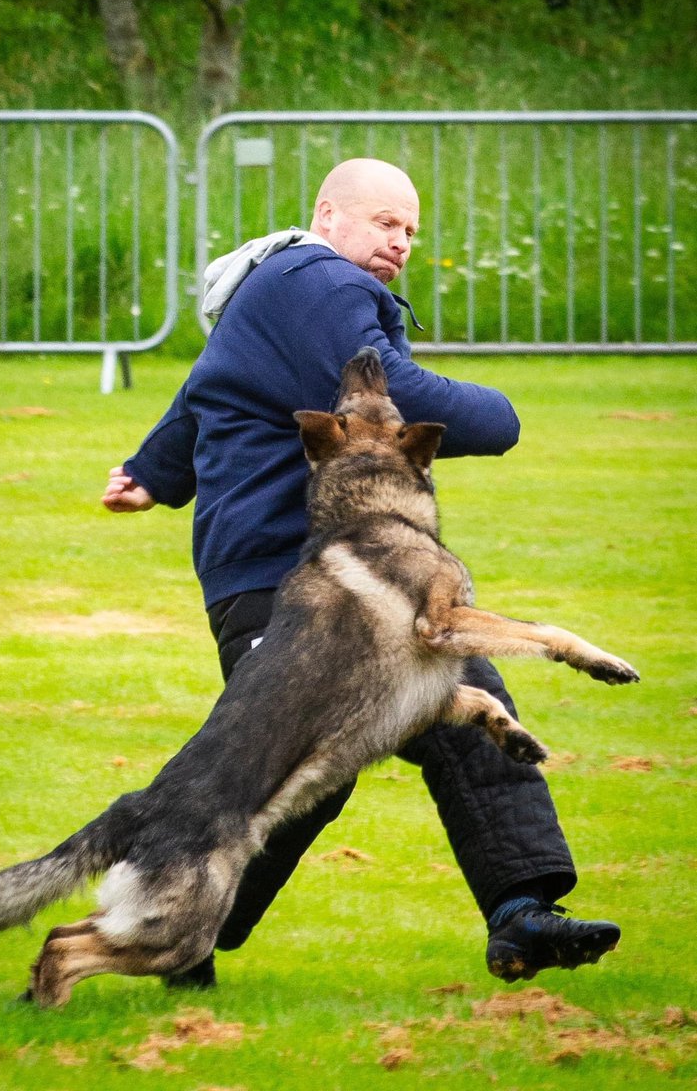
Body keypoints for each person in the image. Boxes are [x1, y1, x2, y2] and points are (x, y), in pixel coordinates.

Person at [102, 158, 620, 988]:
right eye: (385, 223)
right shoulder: (315, 280)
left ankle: (522, 913)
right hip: (285, 575)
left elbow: (206, 387)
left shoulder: (275, 288)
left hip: (345, 568)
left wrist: (154, 471)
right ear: (327, 215)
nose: (400, 243)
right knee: (293, 766)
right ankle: (168, 928)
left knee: (470, 703)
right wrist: (503, 415)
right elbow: (401, 394)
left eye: (411, 230)